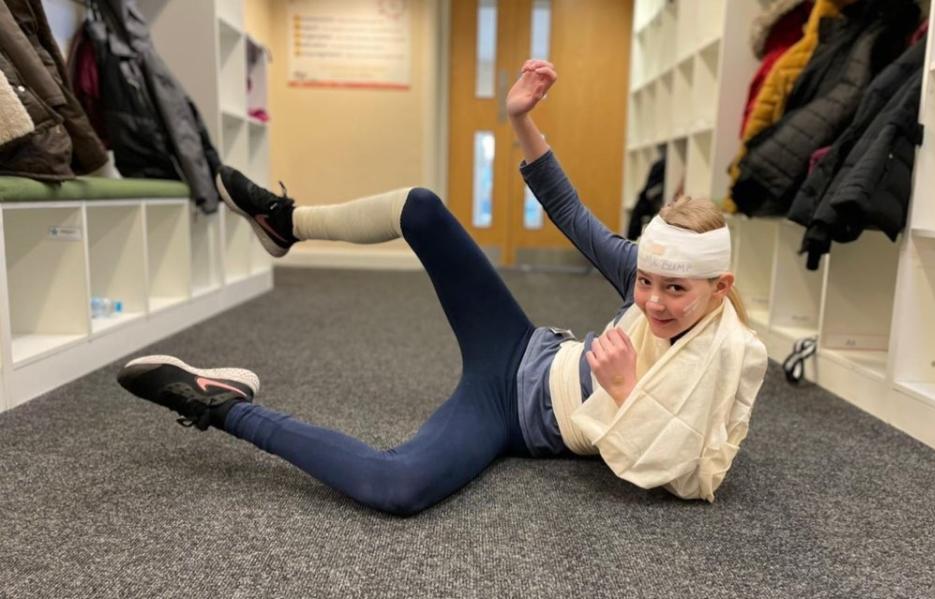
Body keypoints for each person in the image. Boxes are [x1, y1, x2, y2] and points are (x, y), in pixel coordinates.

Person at [117, 60, 768, 516]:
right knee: (423, 207)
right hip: (519, 345)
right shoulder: (643, 273)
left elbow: (688, 474)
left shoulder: (730, 355)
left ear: (720, 287)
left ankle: (220, 403)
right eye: (646, 282)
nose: (652, 300)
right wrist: (520, 119)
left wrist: (625, 392)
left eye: (674, 290)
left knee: (395, 485)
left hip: (509, 417)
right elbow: (572, 214)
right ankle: (285, 223)